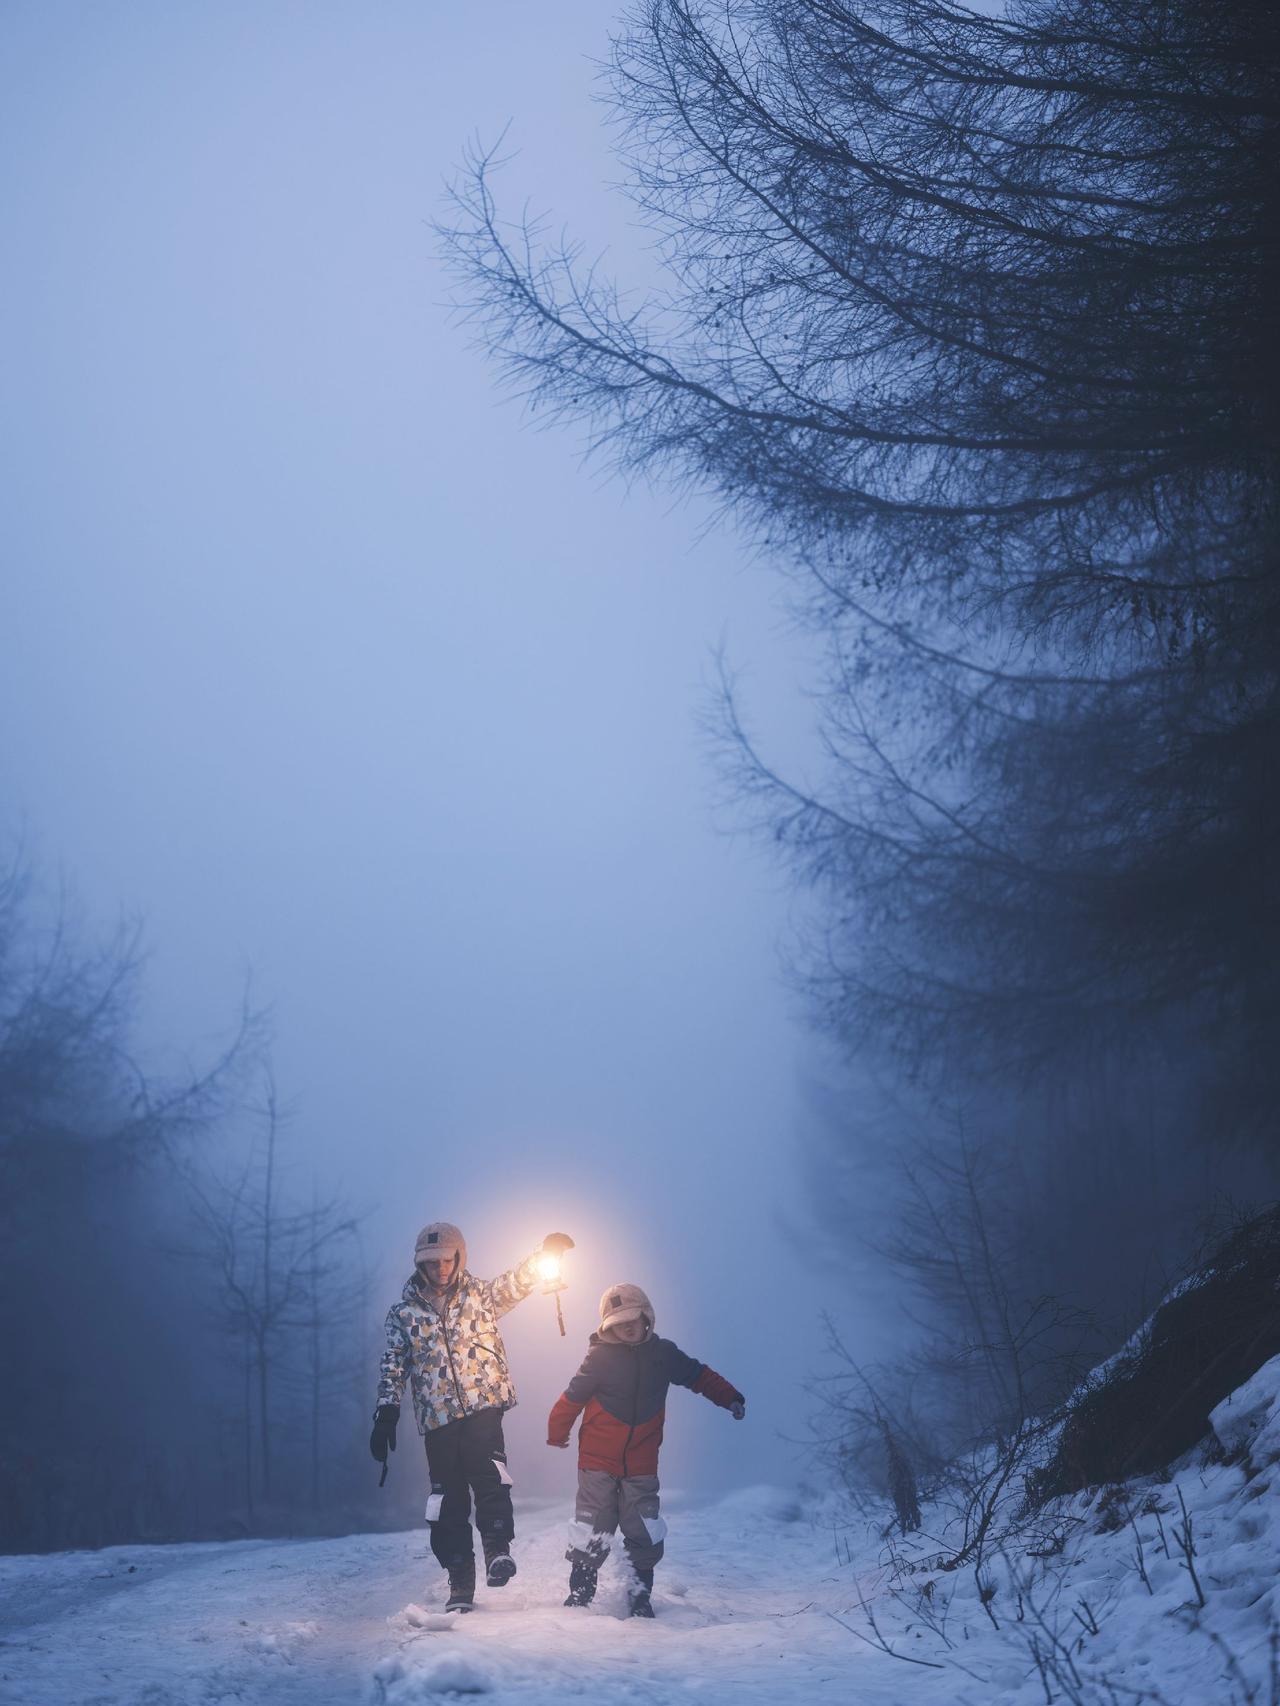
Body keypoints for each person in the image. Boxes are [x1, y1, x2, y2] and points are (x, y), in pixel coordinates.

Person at [371, 1220, 574, 1612]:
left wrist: (545, 1254)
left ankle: (498, 1549)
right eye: (432, 1263)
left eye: (448, 1260)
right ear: (420, 1266)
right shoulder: (404, 1315)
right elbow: (393, 1365)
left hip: (483, 1403)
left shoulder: (479, 1295)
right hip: (438, 1418)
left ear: (459, 1257)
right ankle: (460, 1578)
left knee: (490, 1476)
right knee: (446, 1499)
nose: (441, 1268)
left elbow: (517, 1282)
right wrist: (386, 1411)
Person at [546, 1281, 745, 1617]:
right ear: (607, 1326)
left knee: (643, 1527)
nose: (625, 1327)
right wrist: (557, 1430)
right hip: (596, 1460)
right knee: (593, 1525)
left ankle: (639, 1594)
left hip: (641, 1460)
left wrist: (730, 1397)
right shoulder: (599, 1358)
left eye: (631, 1320)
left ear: (646, 1318)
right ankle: (580, 1592)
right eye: (617, 1322)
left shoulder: (664, 1355)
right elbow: (573, 1396)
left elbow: (699, 1376)